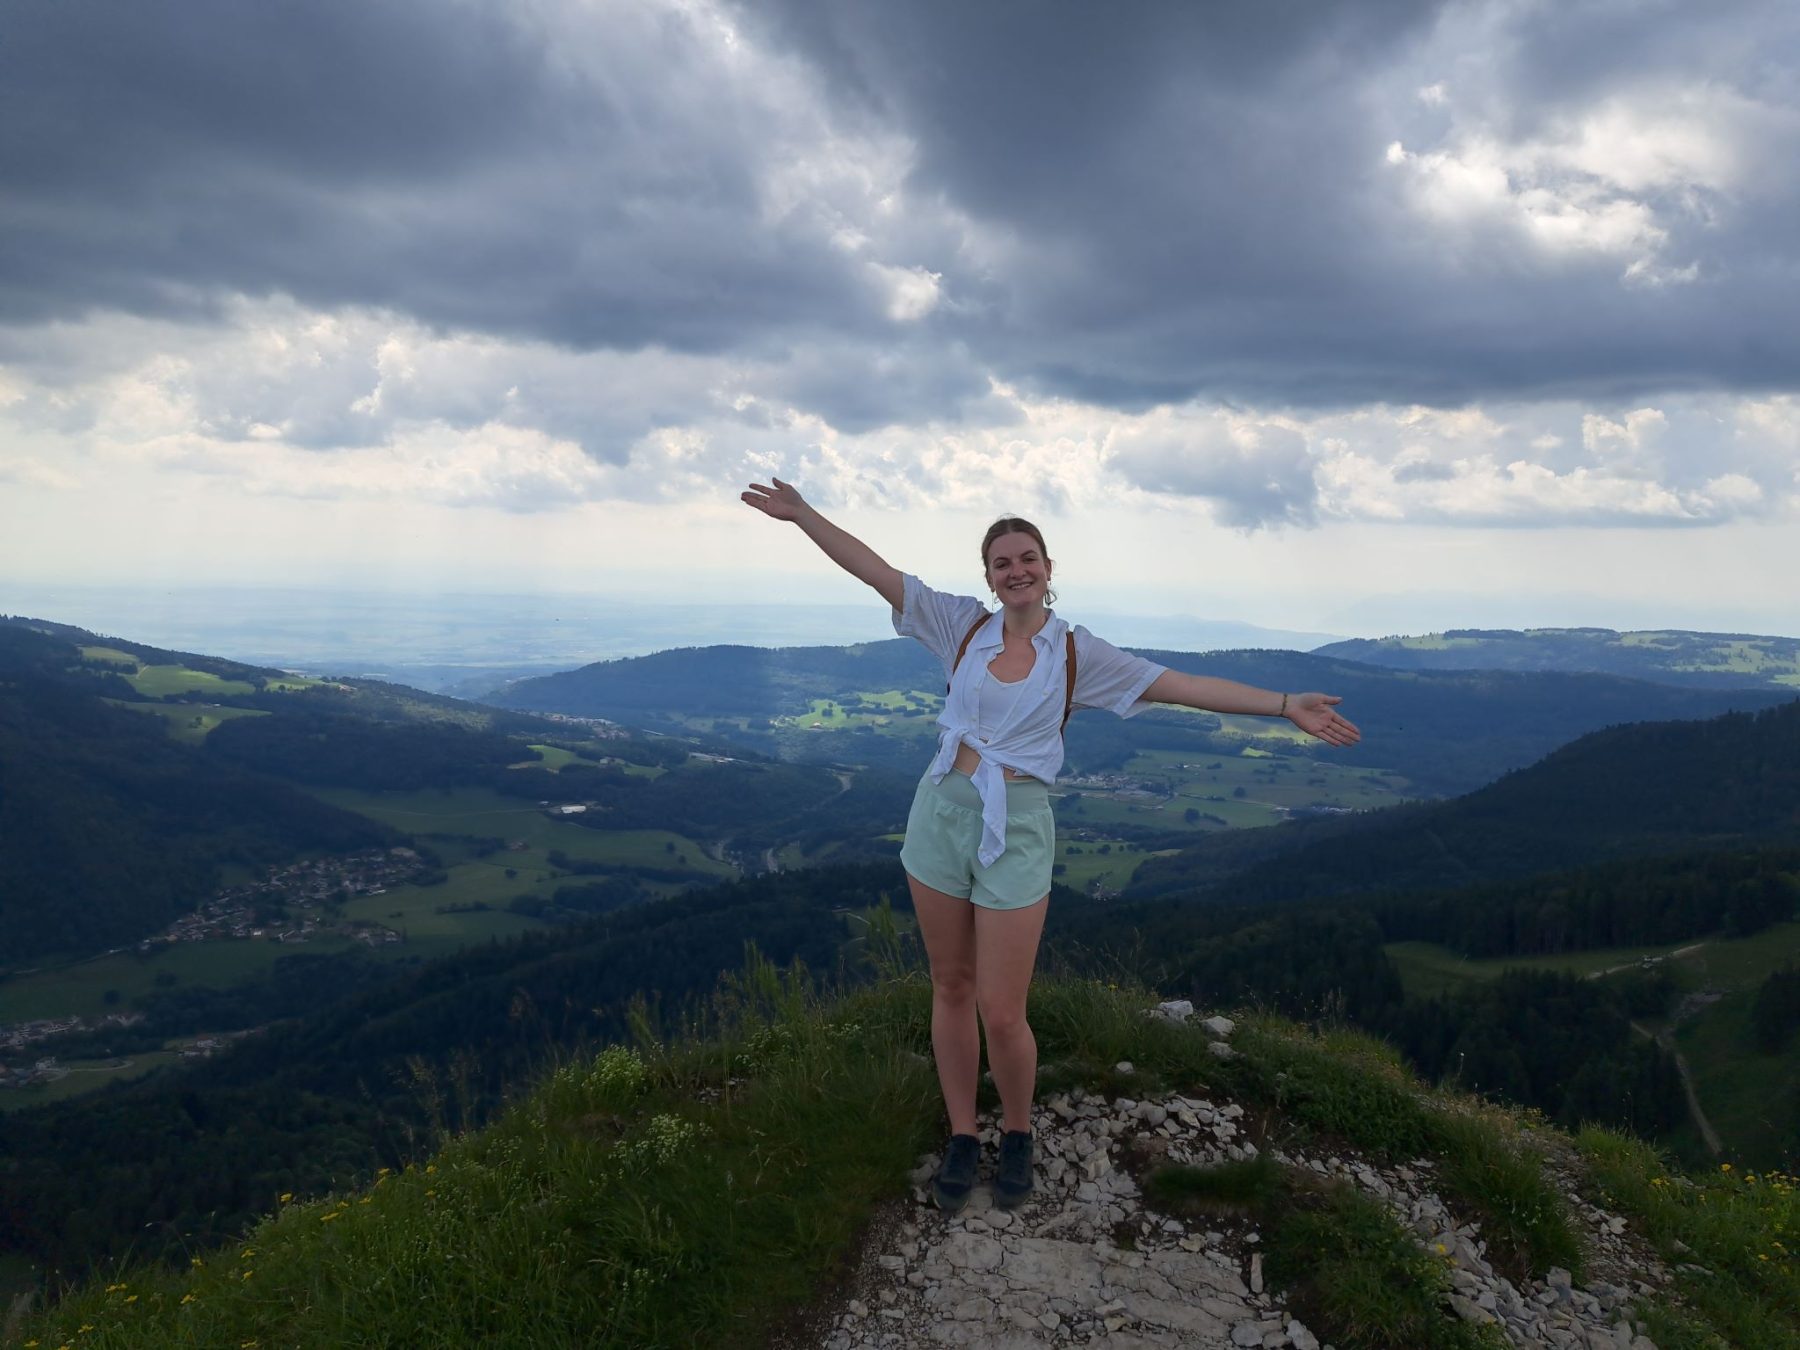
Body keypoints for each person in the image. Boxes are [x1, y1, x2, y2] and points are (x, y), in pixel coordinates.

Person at [740, 478, 1361, 1212]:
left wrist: (1286, 704)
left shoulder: (1077, 655)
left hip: (1019, 825)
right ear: (989, 577)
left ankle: (1019, 1130)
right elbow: (875, 570)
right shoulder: (960, 628)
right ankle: (964, 1132)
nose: (1016, 571)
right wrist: (804, 515)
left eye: (1027, 558)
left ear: (1048, 567)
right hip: (939, 813)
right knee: (950, 986)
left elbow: (1181, 684)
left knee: (1003, 1008)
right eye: (1001, 563)